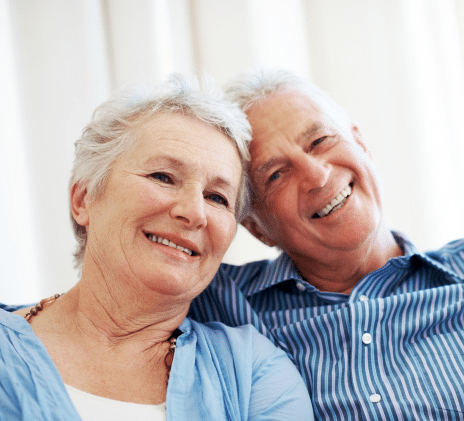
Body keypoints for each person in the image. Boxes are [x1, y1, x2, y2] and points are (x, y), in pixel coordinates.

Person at [187, 68, 464, 420]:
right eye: (276, 174)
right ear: (258, 228)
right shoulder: (219, 304)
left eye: (321, 140)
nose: (316, 175)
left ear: (360, 143)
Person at [0, 74, 313, 420]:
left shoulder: (254, 374)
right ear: (84, 199)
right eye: (163, 177)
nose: (194, 212)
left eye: (217, 197)